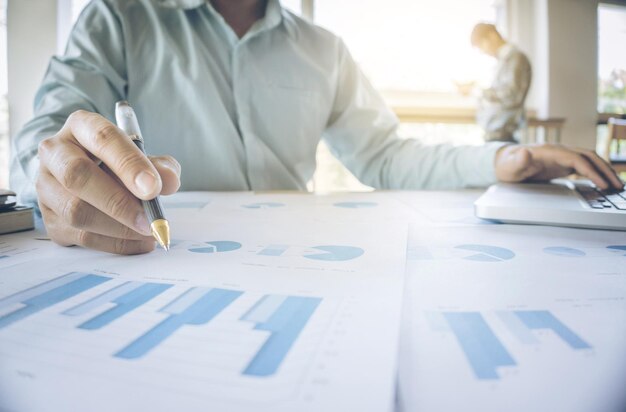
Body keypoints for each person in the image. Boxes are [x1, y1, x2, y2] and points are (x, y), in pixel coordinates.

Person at [10, 0, 622, 255]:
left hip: (290, 258)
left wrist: (499, 160)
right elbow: (46, 135)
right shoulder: (119, 17)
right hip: (154, 257)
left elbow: (386, 156)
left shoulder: (324, 48)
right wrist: (56, 178)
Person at [470, 23, 532, 142]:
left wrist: (478, 91)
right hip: (496, 133)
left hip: (504, 135)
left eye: (481, 45)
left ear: (492, 36)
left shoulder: (516, 58)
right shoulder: (503, 61)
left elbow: (512, 96)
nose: (483, 51)